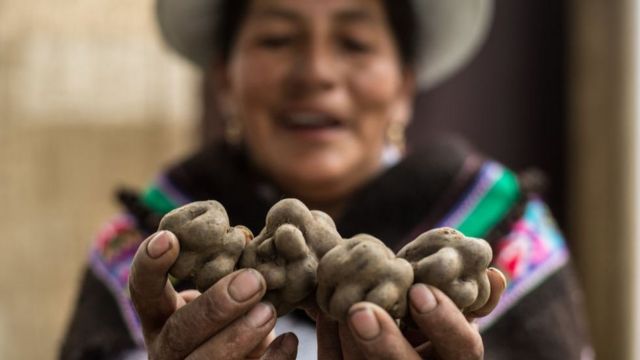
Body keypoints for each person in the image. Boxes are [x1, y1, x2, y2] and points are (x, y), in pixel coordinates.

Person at [60, 0, 591, 359]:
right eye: (276, 39)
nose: (315, 72)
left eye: (355, 43)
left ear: (404, 85)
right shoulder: (140, 249)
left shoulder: (507, 238)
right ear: (224, 79)